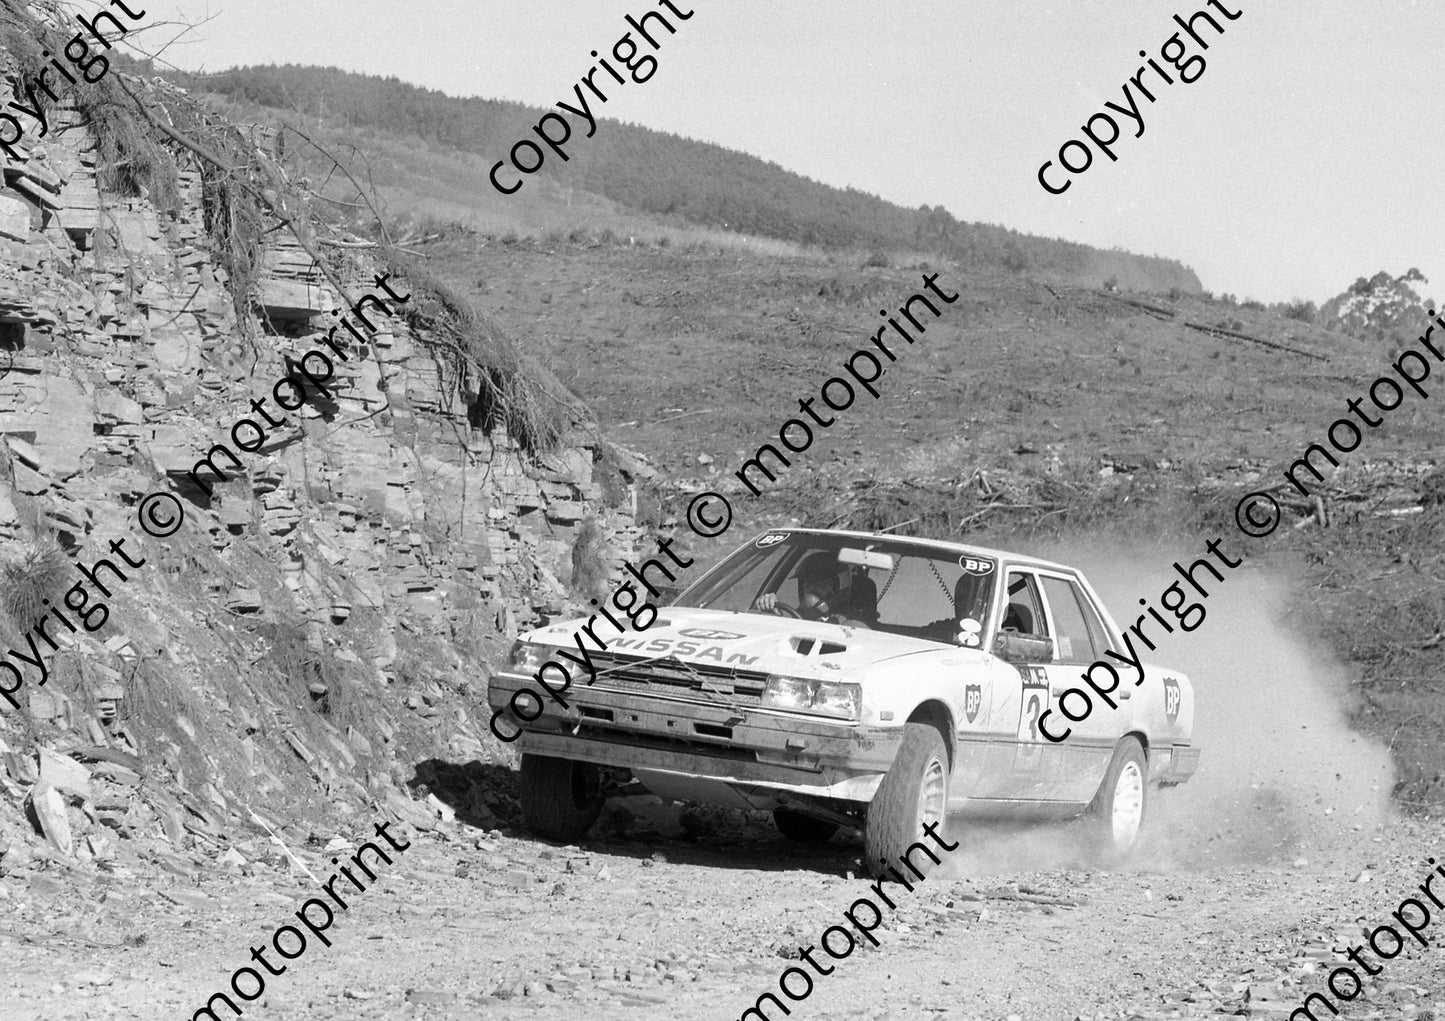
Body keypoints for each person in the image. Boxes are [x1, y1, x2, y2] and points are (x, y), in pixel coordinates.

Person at [754, 552, 876, 625]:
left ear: (840, 588)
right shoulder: (800, 615)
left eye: (820, 584)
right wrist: (770, 615)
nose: (810, 589)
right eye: (806, 583)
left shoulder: (854, 626)